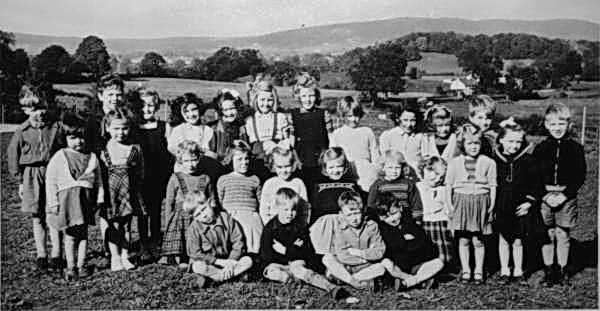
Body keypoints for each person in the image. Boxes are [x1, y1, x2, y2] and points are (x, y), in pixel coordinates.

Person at [259, 188, 355, 302]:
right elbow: (266, 254)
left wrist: (286, 251)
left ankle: (332, 288)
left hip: (296, 262)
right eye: (285, 210)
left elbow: (306, 250)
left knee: (298, 268)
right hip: (278, 264)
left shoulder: (299, 227)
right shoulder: (270, 228)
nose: (290, 213)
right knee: (271, 272)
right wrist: (292, 248)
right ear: (277, 208)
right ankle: (296, 278)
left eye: (293, 210)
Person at [8, 84, 64, 273]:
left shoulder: (55, 127)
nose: (37, 113)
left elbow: (62, 149)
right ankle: (41, 254)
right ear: (24, 109)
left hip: (51, 172)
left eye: (40, 108)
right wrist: (20, 181)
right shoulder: (21, 131)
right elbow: (13, 155)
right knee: (37, 215)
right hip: (31, 175)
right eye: (32, 109)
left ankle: (57, 253)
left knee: (53, 212)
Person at [45, 112, 104, 280]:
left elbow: (98, 180)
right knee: (70, 235)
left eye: (81, 138)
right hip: (67, 202)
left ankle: (82, 263)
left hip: (85, 202)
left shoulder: (92, 157)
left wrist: (99, 197)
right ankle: (70, 266)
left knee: (83, 234)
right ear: (65, 138)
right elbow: (51, 180)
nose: (78, 142)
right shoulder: (60, 156)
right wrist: (53, 203)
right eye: (73, 138)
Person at [533, 103, 586, 287]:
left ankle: (563, 269)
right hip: (545, 196)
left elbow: (580, 175)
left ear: (568, 124)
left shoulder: (576, 149)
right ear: (546, 125)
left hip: (566, 196)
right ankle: (549, 270)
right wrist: (544, 195)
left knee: (563, 233)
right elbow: (535, 175)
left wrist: (566, 194)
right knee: (547, 233)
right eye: (553, 124)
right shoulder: (540, 149)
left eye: (561, 124)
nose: (557, 128)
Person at [492, 117, 542, 285]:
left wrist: (529, 202)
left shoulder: (528, 161)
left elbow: (536, 183)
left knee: (518, 239)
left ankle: (519, 270)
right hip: (501, 204)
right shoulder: (495, 160)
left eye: (518, 142)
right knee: (504, 238)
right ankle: (505, 269)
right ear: (501, 140)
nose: (514, 146)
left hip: (520, 205)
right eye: (510, 141)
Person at [446, 124, 497, 284]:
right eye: (469, 143)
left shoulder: (489, 162)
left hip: (481, 202)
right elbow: (449, 185)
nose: (473, 147)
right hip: (461, 201)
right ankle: (466, 270)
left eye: (477, 143)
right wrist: (450, 205)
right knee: (463, 239)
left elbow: (492, 185)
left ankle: (479, 270)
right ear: (463, 145)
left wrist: (491, 206)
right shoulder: (454, 163)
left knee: (478, 240)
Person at [98, 108, 146, 271]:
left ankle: (125, 255)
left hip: (128, 193)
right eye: (116, 128)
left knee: (126, 226)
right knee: (113, 226)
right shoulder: (104, 150)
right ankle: (115, 257)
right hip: (111, 195)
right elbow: (100, 175)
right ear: (108, 128)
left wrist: (137, 191)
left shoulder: (135, 148)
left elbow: (141, 171)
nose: (121, 132)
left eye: (124, 128)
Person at [160, 140, 215, 267]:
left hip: (199, 216)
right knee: (182, 241)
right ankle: (182, 259)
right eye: (186, 161)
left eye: (194, 160)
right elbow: (169, 202)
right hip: (180, 218)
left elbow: (212, 200)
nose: (190, 164)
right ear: (180, 160)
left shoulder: (205, 178)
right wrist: (168, 222)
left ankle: (196, 258)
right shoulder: (175, 177)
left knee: (198, 239)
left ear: (199, 158)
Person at [372, 193, 444, 290]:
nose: (392, 219)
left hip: (416, 263)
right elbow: (391, 246)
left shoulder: (409, 221)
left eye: (394, 214)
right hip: (398, 265)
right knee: (387, 264)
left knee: (439, 262)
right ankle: (419, 280)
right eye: (386, 217)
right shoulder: (382, 228)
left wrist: (402, 242)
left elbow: (423, 242)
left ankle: (410, 282)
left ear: (400, 208)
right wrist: (405, 239)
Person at [321, 191, 386, 290]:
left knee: (381, 268)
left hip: (365, 266)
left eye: (356, 213)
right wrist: (365, 256)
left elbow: (379, 251)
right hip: (346, 265)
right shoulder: (340, 228)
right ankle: (355, 281)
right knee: (327, 258)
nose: (354, 219)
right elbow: (342, 255)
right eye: (349, 215)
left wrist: (360, 253)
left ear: (363, 210)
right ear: (341, 214)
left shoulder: (372, 226)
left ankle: (345, 279)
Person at [134, 88, 172, 258]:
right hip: (141, 176)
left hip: (158, 175)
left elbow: (169, 150)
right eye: (143, 105)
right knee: (142, 212)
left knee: (156, 210)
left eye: (151, 105)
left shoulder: (163, 127)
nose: (147, 109)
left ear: (156, 106)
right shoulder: (134, 128)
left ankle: (156, 241)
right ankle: (143, 245)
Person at [186, 191, 253, 287]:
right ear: (194, 217)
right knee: (198, 266)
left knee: (248, 261)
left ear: (210, 203)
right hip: (209, 263)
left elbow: (238, 242)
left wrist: (230, 262)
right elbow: (195, 253)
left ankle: (216, 279)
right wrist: (219, 262)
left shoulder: (226, 218)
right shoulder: (194, 228)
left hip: (229, 259)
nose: (203, 215)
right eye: (198, 215)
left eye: (204, 209)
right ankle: (229, 277)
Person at [289, 73, 332, 197]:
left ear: (316, 96)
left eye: (311, 95)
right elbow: (291, 140)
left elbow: (331, 137)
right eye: (304, 96)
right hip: (301, 158)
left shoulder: (323, 114)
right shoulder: (293, 115)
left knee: (319, 190)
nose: (307, 99)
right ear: (298, 96)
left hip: (320, 156)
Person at [217, 140, 263, 254]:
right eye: (239, 159)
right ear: (230, 160)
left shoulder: (254, 179)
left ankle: (253, 257)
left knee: (253, 230)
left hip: (250, 214)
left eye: (246, 158)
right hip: (231, 215)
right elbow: (220, 201)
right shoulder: (224, 179)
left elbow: (260, 201)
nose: (244, 162)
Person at [244, 80, 292, 182]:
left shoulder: (280, 118)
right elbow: (249, 145)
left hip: (278, 162)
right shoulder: (250, 121)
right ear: (256, 99)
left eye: (269, 100)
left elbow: (288, 141)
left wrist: (276, 146)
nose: (265, 104)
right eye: (262, 99)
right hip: (258, 162)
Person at [330, 96, 379, 192]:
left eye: (356, 115)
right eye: (349, 116)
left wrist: (375, 169)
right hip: (347, 173)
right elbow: (333, 157)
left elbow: (375, 154)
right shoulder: (337, 134)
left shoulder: (367, 131)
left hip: (366, 173)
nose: (353, 119)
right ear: (343, 115)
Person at [416, 156, 454, 268]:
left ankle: (443, 266)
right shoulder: (417, 187)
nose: (438, 179)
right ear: (425, 170)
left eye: (441, 177)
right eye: (435, 175)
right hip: (424, 221)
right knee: (426, 249)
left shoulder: (443, 189)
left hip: (440, 221)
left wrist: (451, 224)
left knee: (443, 251)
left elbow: (447, 206)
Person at [367, 149, 423, 224]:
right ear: (383, 168)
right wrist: (377, 218)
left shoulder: (408, 183)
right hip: (385, 218)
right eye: (390, 167)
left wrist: (417, 220)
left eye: (397, 167)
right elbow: (371, 204)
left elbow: (416, 202)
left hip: (406, 217)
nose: (394, 171)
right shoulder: (378, 184)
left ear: (402, 167)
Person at [310, 147, 361, 223]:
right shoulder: (318, 185)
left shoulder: (351, 185)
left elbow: (358, 206)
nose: (335, 170)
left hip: (347, 222)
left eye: (339, 166)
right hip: (326, 222)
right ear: (325, 168)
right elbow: (315, 209)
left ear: (345, 166)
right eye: (331, 167)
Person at [260, 146, 308, 224]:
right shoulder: (269, 184)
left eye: (287, 166)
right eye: (279, 167)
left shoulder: (298, 183)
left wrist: (301, 225)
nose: (284, 170)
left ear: (293, 164)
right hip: (274, 226)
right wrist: (269, 226)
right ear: (273, 166)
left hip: (294, 225)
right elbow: (264, 209)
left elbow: (304, 208)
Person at [168, 93, 217, 168]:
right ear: (180, 113)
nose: (191, 114)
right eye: (186, 111)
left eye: (194, 110)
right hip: (182, 171)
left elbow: (212, 155)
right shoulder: (177, 131)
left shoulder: (208, 131)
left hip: (204, 170)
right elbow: (173, 153)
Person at [207, 89, 249, 164]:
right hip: (218, 164)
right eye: (225, 110)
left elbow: (246, 151)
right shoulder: (214, 128)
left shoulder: (242, 127)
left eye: (232, 108)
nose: (229, 113)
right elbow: (210, 153)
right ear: (221, 111)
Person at [379, 103, 424, 170]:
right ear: (398, 119)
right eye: (405, 120)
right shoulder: (387, 136)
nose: (409, 124)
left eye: (412, 120)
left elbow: (425, 159)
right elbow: (385, 160)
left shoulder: (420, 137)